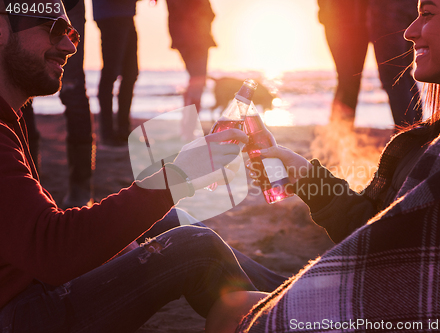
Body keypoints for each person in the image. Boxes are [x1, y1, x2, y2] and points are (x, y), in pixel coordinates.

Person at [208, 0, 440, 331]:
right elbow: (372, 232)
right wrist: (304, 175)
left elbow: (405, 273)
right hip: (373, 289)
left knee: (227, 306)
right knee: (192, 242)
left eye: (427, 14)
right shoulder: (434, 137)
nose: (409, 31)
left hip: (392, 310)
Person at [0, 1, 284, 331]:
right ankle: (293, 313)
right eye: (54, 30)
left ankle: (298, 289)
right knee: (195, 249)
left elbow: (32, 236)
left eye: (72, 33)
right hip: (16, 313)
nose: (68, 46)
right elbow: (52, 249)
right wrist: (180, 174)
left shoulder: (9, 120)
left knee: (171, 220)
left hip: (27, 287)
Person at [21, 0, 95, 208]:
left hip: (68, 5)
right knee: (23, 84)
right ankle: (27, 184)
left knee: (72, 90)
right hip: (26, 5)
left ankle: (80, 190)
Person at [318, 0, 423, 129]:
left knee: (395, 76)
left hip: (379, 9)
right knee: (396, 76)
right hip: (347, 12)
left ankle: (412, 137)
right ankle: (415, 135)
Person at [165, 0, 217, 140]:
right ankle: (189, 128)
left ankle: (187, 127)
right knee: (197, 83)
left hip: (189, 37)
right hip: (195, 38)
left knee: (195, 82)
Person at [92, 0, 138, 147]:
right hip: (111, 14)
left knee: (130, 73)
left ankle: (123, 132)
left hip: (124, 13)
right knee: (111, 73)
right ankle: (108, 134)